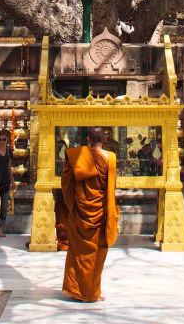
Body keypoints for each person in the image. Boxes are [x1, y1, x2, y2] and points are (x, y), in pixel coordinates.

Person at [61, 126, 119, 303]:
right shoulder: (110, 158)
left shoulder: (77, 156)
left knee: (78, 252)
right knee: (97, 253)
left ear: (88, 139)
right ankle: (92, 292)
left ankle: (76, 289)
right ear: (105, 139)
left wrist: (72, 203)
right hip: (100, 212)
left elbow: (66, 182)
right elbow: (111, 187)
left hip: (80, 211)